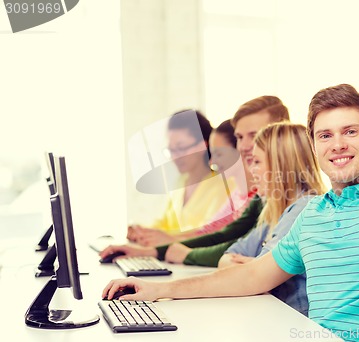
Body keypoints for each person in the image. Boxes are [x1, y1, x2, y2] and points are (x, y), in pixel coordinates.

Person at [104, 84, 359, 341]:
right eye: (325, 135)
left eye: (351, 131)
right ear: (313, 145)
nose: (337, 144)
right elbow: (252, 277)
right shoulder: (314, 214)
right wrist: (158, 291)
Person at [101, 95, 290, 266]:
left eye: (255, 135)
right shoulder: (260, 197)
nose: (246, 146)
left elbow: (231, 245)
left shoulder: (294, 199)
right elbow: (226, 236)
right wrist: (151, 246)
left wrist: (175, 250)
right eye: (240, 137)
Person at [217, 122, 326, 315]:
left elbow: (253, 281)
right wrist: (254, 269)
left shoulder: (304, 207)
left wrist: (254, 272)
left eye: (257, 162)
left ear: (280, 166)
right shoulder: (273, 213)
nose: (251, 170)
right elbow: (228, 256)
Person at [129, 119, 249, 246]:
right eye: (171, 150)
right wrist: (143, 233)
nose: (176, 156)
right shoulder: (181, 182)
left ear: (203, 146)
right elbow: (166, 223)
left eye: (181, 148)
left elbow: (213, 234)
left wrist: (169, 239)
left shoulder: (226, 184)